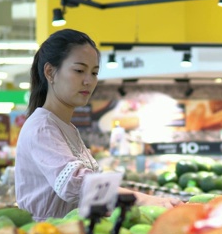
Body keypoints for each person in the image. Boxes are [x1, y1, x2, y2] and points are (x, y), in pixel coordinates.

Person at [15, 29, 181, 221]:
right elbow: (74, 184)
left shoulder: (67, 128)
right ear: (50, 72)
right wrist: (143, 200)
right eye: (79, 71)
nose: (89, 81)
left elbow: (90, 189)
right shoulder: (41, 127)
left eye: (94, 73)